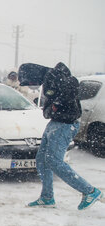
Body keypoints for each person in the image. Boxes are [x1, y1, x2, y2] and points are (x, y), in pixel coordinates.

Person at [27, 62, 103, 210]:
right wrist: (52, 106)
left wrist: (55, 103)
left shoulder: (62, 81)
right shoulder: (52, 81)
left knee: (54, 161)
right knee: (42, 160)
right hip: (55, 123)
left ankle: (90, 191)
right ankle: (47, 197)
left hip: (64, 125)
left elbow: (64, 98)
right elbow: (47, 111)